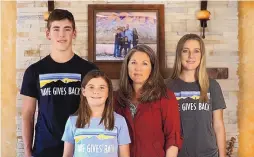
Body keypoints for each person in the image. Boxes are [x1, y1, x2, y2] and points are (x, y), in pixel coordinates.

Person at [21, 9, 98, 157]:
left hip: (81, 148)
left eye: (67, 29)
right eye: (56, 29)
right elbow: (27, 114)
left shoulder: (90, 70)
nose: (61, 34)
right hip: (45, 149)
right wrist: (27, 151)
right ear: (47, 33)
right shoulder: (34, 71)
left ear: (74, 33)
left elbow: (97, 112)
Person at [114, 44, 182, 157]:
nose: (138, 68)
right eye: (133, 62)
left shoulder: (166, 97)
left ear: (152, 68)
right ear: (126, 66)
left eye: (144, 63)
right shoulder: (115, 98)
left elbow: (172, 138)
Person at [167, 34, 226, 157]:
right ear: (179, 54)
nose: (191, 56)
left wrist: (223, 155)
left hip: (208, 154)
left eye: (196, 51)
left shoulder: (213, 86)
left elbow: (218, 125)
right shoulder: (167, 87)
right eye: (185, 51)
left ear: (201, 55)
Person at [62, 70, 131, 157]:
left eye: (101, 87)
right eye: (91, 87)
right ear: (84, 92)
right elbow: (67, 155)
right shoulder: (72, 122)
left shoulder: (120, 121)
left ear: (108, 93)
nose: (96, 91)